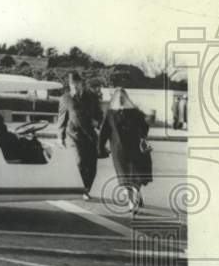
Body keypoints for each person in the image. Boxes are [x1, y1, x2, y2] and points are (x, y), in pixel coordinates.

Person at [99, 88, 152, 214]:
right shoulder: (110, 114)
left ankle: (136, 194)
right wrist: (100, 147)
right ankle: (131, 202)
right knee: (124, 177)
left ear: (127, 98)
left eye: (123, 97)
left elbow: (144, 128)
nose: (121, 100)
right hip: (119, 151)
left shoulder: (135, 112)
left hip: (135, 149)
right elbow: (104, 132)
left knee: (136, 175)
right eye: (118, 98)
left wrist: (146, 122)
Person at [56, 71, 103, 200]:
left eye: (77, 83)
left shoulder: (92, 97)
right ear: (69, 85)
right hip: (74, 135)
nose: (75, 86)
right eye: (72, 84)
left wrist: (98, 122)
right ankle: (81, 189)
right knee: (80, 161)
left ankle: (86, 189)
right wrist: (60, 137)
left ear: (82, 83)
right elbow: (61, 118)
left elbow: (99, 114)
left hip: (90, 136)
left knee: (92, 166)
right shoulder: (65, 98)